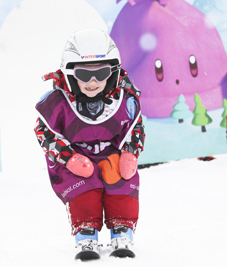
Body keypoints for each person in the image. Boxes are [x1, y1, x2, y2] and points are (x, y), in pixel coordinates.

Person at [34, 29, 145, 260]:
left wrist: (129, 152)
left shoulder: (124, 99)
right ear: (71, 74)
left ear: (113, 73)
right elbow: (44, 132)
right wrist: (68, 158)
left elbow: (135, 126)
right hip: (78, 159)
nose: (93, 82)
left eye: (101, 73)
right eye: (84, 74)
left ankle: (122, 231)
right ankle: (86, 237)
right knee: (83, 191)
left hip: (111, 155)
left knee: (121, 186)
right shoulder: (58, 104)